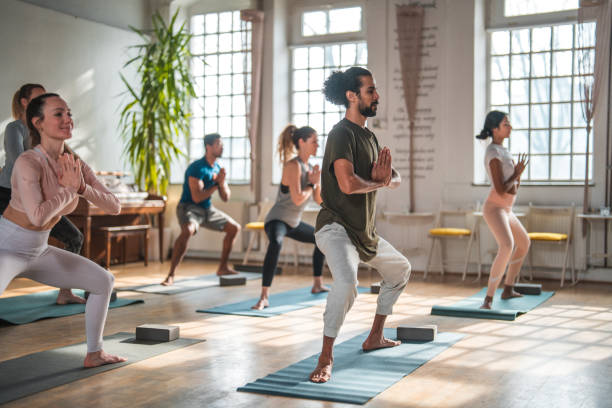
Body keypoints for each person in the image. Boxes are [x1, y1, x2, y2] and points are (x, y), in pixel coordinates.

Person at [0, 93, 126, 367]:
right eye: (58, 114)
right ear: (38, 123)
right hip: (6, 247)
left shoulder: (75, 165)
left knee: (103, 281)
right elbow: (36, 216)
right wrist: (70, 189)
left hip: (38, 250)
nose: (67, 119)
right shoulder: (28, 162)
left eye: (69, 113)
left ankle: (95, 353)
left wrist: (82, 187)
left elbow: (114, 206)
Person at [309, 67, 411, 383]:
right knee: (347, 281)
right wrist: (381, 182)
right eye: (370, 90)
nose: (376, 95)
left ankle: (375, 336)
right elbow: (348, 185)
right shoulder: (341, 134)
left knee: (400, 270)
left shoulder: (369, 135)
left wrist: (388, 178)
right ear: (352, 96)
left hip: (363, 232)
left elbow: (390, 178)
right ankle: (325, 356)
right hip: (335, 227)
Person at [0, 84, 86, 305]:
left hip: (38, 199)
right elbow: (22, 162)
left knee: (74, 238)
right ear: (25, 103)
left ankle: (65, 291)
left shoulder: (45, 132)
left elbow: (67, 157)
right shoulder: (14, 129)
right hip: (7, 196)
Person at [251, 125, 329, 310]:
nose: (318, 145)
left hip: (293, 222)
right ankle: (264, 296)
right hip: (277, 220)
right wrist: (312, 184)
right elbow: (296, 198)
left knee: (321, 238)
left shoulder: (310, 167)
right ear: (301, 142)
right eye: (314, 141)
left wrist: (317, 185)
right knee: (276, 243)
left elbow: (318, 200)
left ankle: (317, 284)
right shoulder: (293, 166)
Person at [162, 133, 241, 285]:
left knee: (234, 228)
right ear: (208, 147)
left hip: (207, 209)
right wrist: (216, 184)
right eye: (218, 144)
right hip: (189, 207)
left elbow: (226, 198)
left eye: (221, 144)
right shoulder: (196, 168)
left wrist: (222, 183)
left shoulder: (218, 168)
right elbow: (197, 197)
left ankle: (223, 267)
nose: (222, 147)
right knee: (188, 231)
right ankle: (170, 275)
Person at [476, 111, 530, 309]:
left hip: (506, 209)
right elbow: (499, 188)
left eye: (509, 123)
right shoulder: (492, 153)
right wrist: (516, 173)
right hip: (495, 208)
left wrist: (518, 175)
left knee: (524, 243)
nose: (510, 127)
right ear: (494, 129)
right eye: (505, 124)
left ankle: (508, 288)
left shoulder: (504, 150)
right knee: (507, 245)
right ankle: (488, 298)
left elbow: (512, 186)